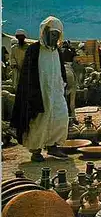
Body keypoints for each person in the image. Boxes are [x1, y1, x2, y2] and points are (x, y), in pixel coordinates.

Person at [10, 16, 69, 162]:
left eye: (57, 34)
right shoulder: (34, 50)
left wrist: (63, 84)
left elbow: (61, 71)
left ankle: (53, 146)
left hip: (56, 92)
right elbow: (27, 75)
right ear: (45, 32)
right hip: (39, 92)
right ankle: (36, 150)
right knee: (39, 121)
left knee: (61, 117)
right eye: (52, 34)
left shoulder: (57, 51)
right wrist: (32, 94)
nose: (54, 37)